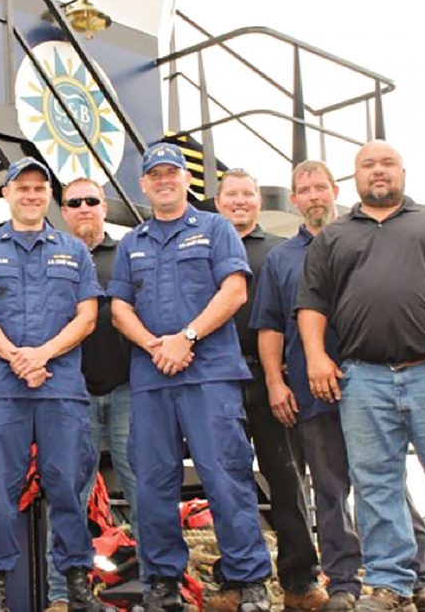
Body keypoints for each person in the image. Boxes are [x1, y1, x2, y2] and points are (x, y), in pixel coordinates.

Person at [296, 141, 425, 612]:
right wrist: (316, 359)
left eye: (387, 163)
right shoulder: (335, 237)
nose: (378, 172)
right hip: (362, 379)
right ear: (356, 178)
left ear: (402, 172)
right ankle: (388, 584)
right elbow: (311, 306)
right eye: (368, 165)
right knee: (375, 484)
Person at [250, 160, 425, 612]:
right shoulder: (281, 259)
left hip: (375, 382)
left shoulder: (364, 239)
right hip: (312, 391)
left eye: (321, 187)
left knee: (387, 483)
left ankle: (420, 578)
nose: (314, 195)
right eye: (304, 189)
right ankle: (343, 583)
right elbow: (270, 329)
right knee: (330, 488)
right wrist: (276, 382)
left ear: (335, 191)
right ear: (294, 199)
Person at [110, 142, 271, 612]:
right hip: (152, 378)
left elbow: (235, 291)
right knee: (153, 483)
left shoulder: (216, 228)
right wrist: (153, 344)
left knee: (226, 478)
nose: (163, 180)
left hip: (209, 377)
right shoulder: (131, 244)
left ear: (186, 180)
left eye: (171, 172)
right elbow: (119, 308)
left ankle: (250, 580)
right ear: (144, 184)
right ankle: (163, 583)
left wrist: (187, 337)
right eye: (154, 174)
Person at [0, 157, 110, 612]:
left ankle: (77, 582)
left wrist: (41, 355)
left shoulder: (74, 251)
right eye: (22, 187)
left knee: (67, 487)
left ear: (48, 197)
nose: (31, 195)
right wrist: (17, 358)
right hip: (3, 390)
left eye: (40, 188)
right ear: (6, 194)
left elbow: (87, 316)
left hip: (60, 388)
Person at [213, 169, 327, 610]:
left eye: (247, 194)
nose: (239, 201)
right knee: (226, 484)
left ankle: (299, 581)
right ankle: (236, 579)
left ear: (259, 201)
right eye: (231, 195)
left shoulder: (279, 252)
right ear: (218, 202)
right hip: (218, 380)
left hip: (272, 379)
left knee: (287, 481)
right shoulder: (204, 248)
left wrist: (282, 376)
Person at [44, 178, 137, 611]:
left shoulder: (129, 253)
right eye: (74, 202)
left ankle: (156, 585)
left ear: (105, 206)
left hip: (127, 391)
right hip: (69, 395)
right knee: (68, 496)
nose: (83, 208)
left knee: (143, 491)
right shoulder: (49, 255)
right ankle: (63, 594)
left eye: (91, 201)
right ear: (63, 211)